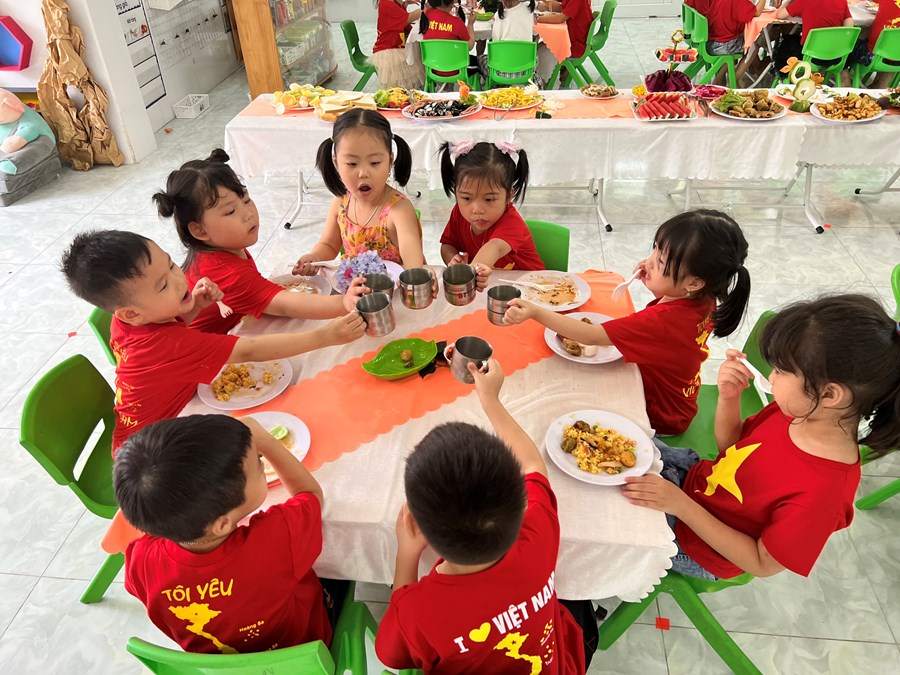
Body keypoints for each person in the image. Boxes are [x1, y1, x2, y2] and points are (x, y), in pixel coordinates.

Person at [622, 294, 900, 580]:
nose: (772, 376)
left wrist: (681, 506)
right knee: (617, 440)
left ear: (829, 394)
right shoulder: (796, 412)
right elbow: (731, 450)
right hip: (692, 483)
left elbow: (761, 563)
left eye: (780, 370)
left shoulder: (825, 493)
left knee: (607, 519)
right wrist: (729, 399)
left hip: (698, 548)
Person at [374, 359, 590, 673]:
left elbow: (390, 655)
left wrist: (406, 555)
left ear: (419, 526)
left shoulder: (417, 610)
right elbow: (533, 465)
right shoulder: (539, 530)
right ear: (520, 501)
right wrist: (490, 399)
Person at [61, 231, 365, 451]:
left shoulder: (125, 321)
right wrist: (326, 336)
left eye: (171, 265)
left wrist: (194, 307)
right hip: (152, 451)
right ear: (131, 312)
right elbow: (249, 350)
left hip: (135, 433)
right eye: (164, 285)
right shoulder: (170, 346)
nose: (180, 279)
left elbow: (164, 336)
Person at [504, 210, 751, 436]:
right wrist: (657, 280)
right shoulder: (705, 298)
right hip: (680, 402)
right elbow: (671, 314)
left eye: (661, 262)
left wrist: (535, 311)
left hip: (659, 416)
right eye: (655, 250)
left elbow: (590, 335)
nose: (649, 261)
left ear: (694, 282)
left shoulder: (662, 322)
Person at [117, 415, 339, 653]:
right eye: (259, 465)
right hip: (306, 651)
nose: (260, 464)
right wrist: (265, 441)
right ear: (222, 524)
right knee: (337, 575)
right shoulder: (277, 536)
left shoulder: (140, 561)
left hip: (219, 666)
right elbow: (310, 494)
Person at [154, 149, 367, 335]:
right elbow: (284, 305)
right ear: (199, 230)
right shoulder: (228, 273)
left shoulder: (221, 248)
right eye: (230, 211)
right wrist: (344, 302)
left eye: (246, 200)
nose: (248, 214)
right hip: (204, 358)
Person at [293, 109, 426, 275]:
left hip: (395, 287)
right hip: (353, 288)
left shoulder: (399, 210)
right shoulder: (341, 204)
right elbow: (329, 245)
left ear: (390, 161)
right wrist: (314, 257)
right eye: (352, 164)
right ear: (336, 163)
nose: (363, 173)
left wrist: (413, 279)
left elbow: (413, 263)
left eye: (374, 162)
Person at [438, 140, 544, 281]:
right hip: (493, 284)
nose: (477, 210)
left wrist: (472, 271)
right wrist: (453, 260)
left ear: (509, 196)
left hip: (532, 285)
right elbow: (448, 245)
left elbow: (495, 247)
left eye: (489, 199)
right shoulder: (459, 213)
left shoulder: (512, 222)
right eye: (466, 198)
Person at [773, 0, 853, 70]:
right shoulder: (842, 1)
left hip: (810, 56)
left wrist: (789, 1)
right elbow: (849, 24)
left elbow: (779, 15)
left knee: (786, 43)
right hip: (836, 56)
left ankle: (795, 79)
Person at [373, 0, 426, 89]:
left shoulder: (392, 2)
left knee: (416, 51)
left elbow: (400, 16)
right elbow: (407, 19)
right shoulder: (386, 2)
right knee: (415, 56)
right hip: (388, 49)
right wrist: (427, 8)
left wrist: (406, 3)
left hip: (395, 44)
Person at [847, 2, 900, 88]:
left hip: (874, 56)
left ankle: (844, 80)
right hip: (896, 58)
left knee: (848, 45)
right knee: (892, 47)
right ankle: (882, 82)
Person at [685, 0, 767, 56]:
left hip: (708, 40)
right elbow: (757, 12)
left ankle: (754, 69)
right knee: (753, 46)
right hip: (723, 45)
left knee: (746, 36)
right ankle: (737, 75)